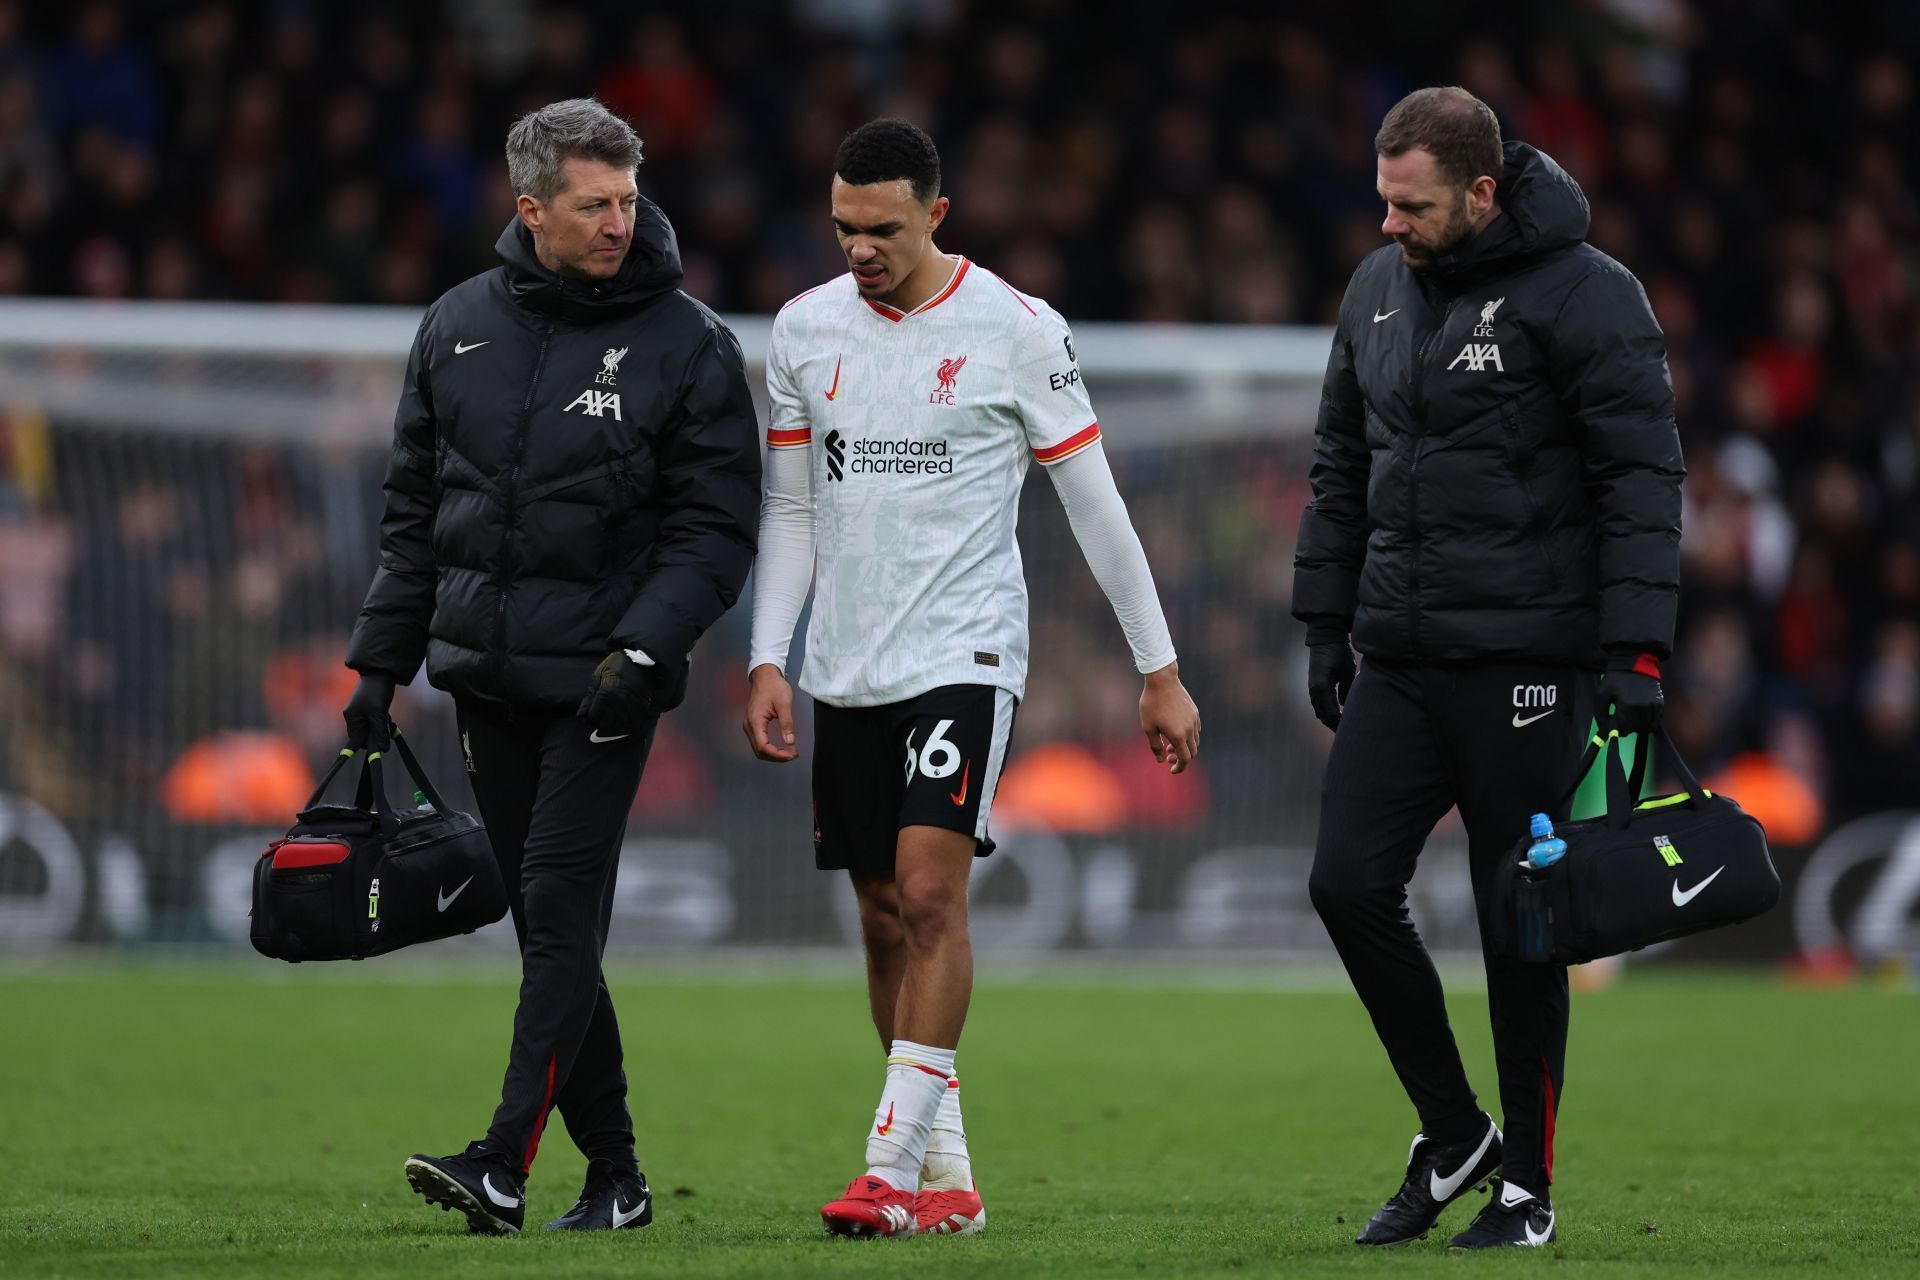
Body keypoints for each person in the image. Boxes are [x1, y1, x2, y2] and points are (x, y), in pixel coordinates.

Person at [743, 118, 1201, 1239]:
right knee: (880, 914)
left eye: (884, 229)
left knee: (933, 893)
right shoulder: (803, 332)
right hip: (846, 662)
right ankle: (946, 1174)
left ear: (936, 215)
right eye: (845, 227)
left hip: (964, 651)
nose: (861, 248)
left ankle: (887, 1167)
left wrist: (1160, 668)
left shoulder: (1015, 329)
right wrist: (770, 650)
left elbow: (1094, 501)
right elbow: (796, 505)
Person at [341, 98, 759, 1236]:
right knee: (547, 929)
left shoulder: (689, 342)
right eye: (595, 203)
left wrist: (645, 646)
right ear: (531, 210)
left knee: (561, 911)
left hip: (604, 684)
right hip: (486, 677)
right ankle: (617, 1176)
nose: (622, 221)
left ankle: (500, 1159)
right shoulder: (455, 326)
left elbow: (716, 529)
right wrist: (379, 667)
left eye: (630, 199)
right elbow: (416, 512)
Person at [1292, 87, 1682, 1249]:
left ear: (1480, 189)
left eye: (1411, 207)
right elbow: (1338, 467)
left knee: (1522, 919)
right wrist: (1325, 621)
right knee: (1344, 884)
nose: (1389, 227)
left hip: (1529, 661)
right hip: (1402, 656)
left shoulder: (1591, 295)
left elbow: (1642, 483)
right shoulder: (1374, 290)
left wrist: (1637, 651)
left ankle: (1530, 1188)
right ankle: (1457, 1132)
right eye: (1382, 203)